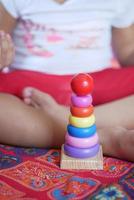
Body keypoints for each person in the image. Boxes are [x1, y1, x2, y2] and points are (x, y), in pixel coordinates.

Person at [0, 0, 134, 162]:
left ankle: (68, 121)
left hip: (98, 84)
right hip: (32, 87)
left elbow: (128, 51)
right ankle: (100, 137)